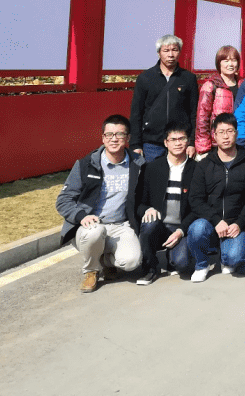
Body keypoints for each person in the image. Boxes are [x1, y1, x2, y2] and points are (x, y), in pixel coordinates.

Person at [56, 115, 143, 293]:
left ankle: (102, 260)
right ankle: (91, 271)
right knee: (96, 232)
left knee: (132, 261)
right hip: (91, 226)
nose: (113, 139)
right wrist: (82, 216)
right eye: (109, 134)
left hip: (120, 225)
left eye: (119, 134)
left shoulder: (138, 164)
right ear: (103, 138)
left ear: (128, 138)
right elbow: (63, 201)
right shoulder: (85, 165)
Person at [187, 113, 245, 281]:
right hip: (211, 223)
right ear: (214, 135)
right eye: (221, 132)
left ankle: (225, 257)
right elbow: (195, 199)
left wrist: (240, 223)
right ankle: (202, 264)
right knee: (196, 230)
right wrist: (216, 220)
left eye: (230, 131)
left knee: (234, 259)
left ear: (237, 133)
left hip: (235, 224)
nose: (226, 136)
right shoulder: (204, 164)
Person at [135, 121, 196, 285]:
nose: (178, 143)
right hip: (159, 226)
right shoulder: (152, 168)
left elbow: (198, 208)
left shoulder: (196, 169)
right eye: (173, 139)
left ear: (188, 141)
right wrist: (147, 209)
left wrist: (182, 230)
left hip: (181, 228)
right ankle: (150, 269)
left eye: (182, 139)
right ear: (165, 143)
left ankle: (172, 256)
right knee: (148, 224)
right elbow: (139, 204)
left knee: (181, 264)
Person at [129, 34, 199, 161]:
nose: (171, 55)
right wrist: (136, 144)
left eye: (175, 50)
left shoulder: (188, 78)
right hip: (151, 143)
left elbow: (194, 113)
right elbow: (136, 114)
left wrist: (192, 142)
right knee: (152, 178)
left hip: (180, 142)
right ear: (159, 53)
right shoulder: (145, 78)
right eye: (166, 50)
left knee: (179, 179)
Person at [195, 44, 240, 158]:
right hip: (216, 145)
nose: (230, 64)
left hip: (238, 143)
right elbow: (202, 119)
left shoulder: (243, 85)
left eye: (234, 60)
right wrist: (203, 148)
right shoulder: (211, 86)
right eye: (226, 61)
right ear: (219, 63)